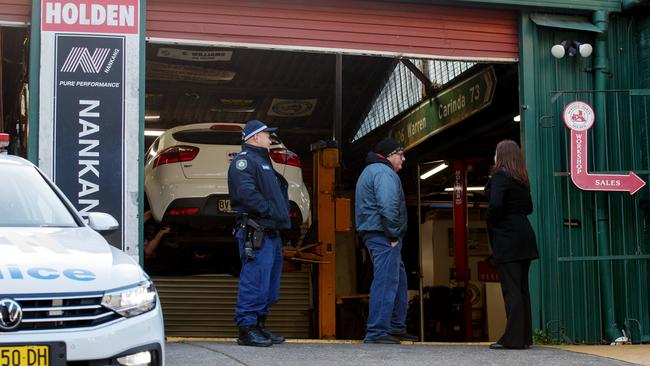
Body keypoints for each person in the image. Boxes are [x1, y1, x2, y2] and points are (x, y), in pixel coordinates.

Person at [228, 119, 291, 347]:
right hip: (257, 231)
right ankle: (247, 329)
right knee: (254, 280)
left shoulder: (263, 161)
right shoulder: (245, 162)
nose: (269, 139)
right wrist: (271, 212)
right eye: (267, 135)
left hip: (270, 232)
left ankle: (259, 326)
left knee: (269, 284)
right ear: (255, 137)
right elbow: (247, 195)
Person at [354, 137, 418, 344]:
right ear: (390, 155)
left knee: (398, 280)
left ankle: (395, 326)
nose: (403, 159)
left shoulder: (373, 171)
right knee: (386, 282)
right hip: (383, 235)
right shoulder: (383, 172)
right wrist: (392, 235)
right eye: (401, 154)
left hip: (378, 233)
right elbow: (388, 205)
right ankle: (377, 331)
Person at [484, 140, 539, 350]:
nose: (494, 156)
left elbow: (496, 205)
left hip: (508, 239)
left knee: (511, 290)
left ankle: (513, 340)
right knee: (522, 289)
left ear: (502, 155)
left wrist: (491, 219)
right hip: (525, 236)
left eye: (496, 152)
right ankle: (524, 337)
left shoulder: (500, 176)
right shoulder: (522, 178)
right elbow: (529, 208)